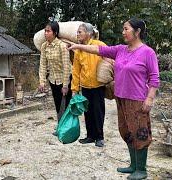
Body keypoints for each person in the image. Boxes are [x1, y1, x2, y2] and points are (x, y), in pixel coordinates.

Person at [67, 18, 160, 180]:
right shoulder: (121, 50)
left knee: (140, 133)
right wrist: (78, 46)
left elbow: (154, 78)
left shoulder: (147, 52)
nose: (123, 32)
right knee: (126, 131)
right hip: (121, 98)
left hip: (137, 99)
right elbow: (98, 50)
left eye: (126, 29)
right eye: (123, 29)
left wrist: (150, 99)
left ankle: (141, 169)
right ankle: (133, 166)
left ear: (137, 32)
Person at [71, 23, 106, 147]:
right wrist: (74, 89)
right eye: (77, 32)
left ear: (89, 33)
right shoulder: (78, 50)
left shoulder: (99, 45)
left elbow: (111, 59)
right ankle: (90, 136)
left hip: (98, 86)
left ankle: (100, 137)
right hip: (85, 86)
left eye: (80, 32)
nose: (77, 34)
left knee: (98, 111)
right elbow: (75, 70)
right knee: (88, 112)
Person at [38, 21, 72, 135]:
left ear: (55, 33)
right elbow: (43, 64)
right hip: (53, 79)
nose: (46, 33)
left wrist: (65, 85)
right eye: (45, 31)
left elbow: (67, 66)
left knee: (66, 105)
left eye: (48, 31)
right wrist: (42, 81)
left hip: (65, 79)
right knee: (58, 104)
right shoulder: (44, 46)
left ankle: (67, 129)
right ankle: (60, 127)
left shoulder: (62, 46)